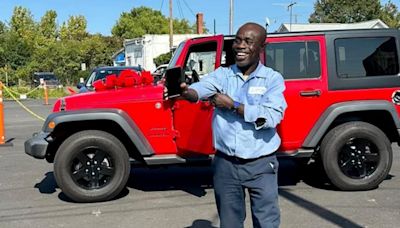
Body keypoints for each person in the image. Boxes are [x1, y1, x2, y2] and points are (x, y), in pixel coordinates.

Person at [178, 22, 287, 227]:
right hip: (226, 165)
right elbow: (200, 89)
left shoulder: (272, 79)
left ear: (261, 47)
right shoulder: (223, 74)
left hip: (261, 165)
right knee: (229, 223)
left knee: (267, 222)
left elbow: (271, 117)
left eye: (248, 41)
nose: (240, 46)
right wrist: (186, 92)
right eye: (237, 40)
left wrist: (234, 105)